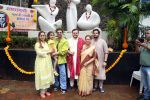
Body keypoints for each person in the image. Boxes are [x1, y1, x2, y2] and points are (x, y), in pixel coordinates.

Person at [34, 31, 55, 98]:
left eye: (43, 35)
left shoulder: (46, 43)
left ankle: (46, 91)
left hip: (47, 61)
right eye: (41, 35)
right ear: (39, 36)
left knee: (47, 75)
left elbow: (51, 50)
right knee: (42, 75)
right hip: (41, 62)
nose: (42, 37)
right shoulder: (37, 44)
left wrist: (51, 51)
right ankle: (42, 92)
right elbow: (39, 53)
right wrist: (48, 51)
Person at [52, 28, 69, 94]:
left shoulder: (65, 41)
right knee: (55, 74)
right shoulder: (54, 40)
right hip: (54, 60)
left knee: (63, 74)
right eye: (58, 32)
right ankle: (56, 85)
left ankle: (63, 87)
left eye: (60, 32)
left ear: (62, 33)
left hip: (61, 60)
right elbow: (51, 47)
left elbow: (64, 51)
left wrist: (56, 53)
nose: (59, 33)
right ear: (56, 33)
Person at [92, 28, 109, 93]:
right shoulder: (92, 41)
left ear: (98, 34)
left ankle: (101, 87)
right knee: (95, 74)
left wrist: (105, 61)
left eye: (96, 33)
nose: (95, 34)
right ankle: (95, 87)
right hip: (93, 61)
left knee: (101, 74)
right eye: (94, 33)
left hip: (101, 61)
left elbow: (106, 52)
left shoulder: (103, 41)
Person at [135, 30, 150, 100]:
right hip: (143, 67)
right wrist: (137, 45)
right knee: (146, 85)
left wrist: (145, 46)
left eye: (148, 33)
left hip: (149, 67)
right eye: (146, 33)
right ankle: (146, 97)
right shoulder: (144, 43)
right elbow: (138, 52)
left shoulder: (145, 44)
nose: (146, 34)